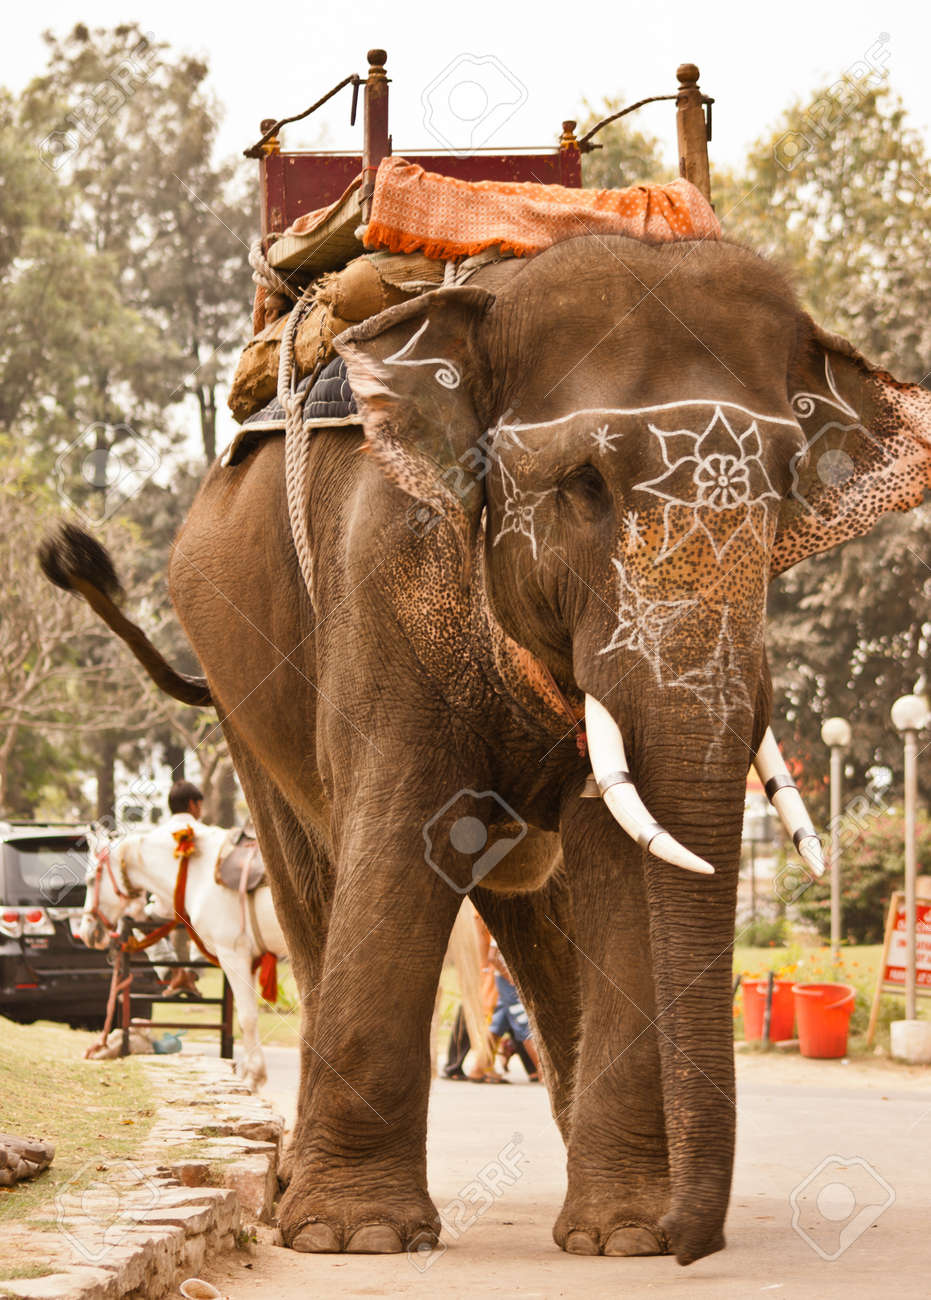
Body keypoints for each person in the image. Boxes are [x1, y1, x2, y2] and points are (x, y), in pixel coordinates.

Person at [150, 780, 205, 996]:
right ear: (192, 805)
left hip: (164, 912)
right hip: (197, 913)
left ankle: (174, 973)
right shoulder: (207, 834)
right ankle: (190, 976)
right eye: (200, 806)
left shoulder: (153, 837)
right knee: (215, 927)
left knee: (136, 923)